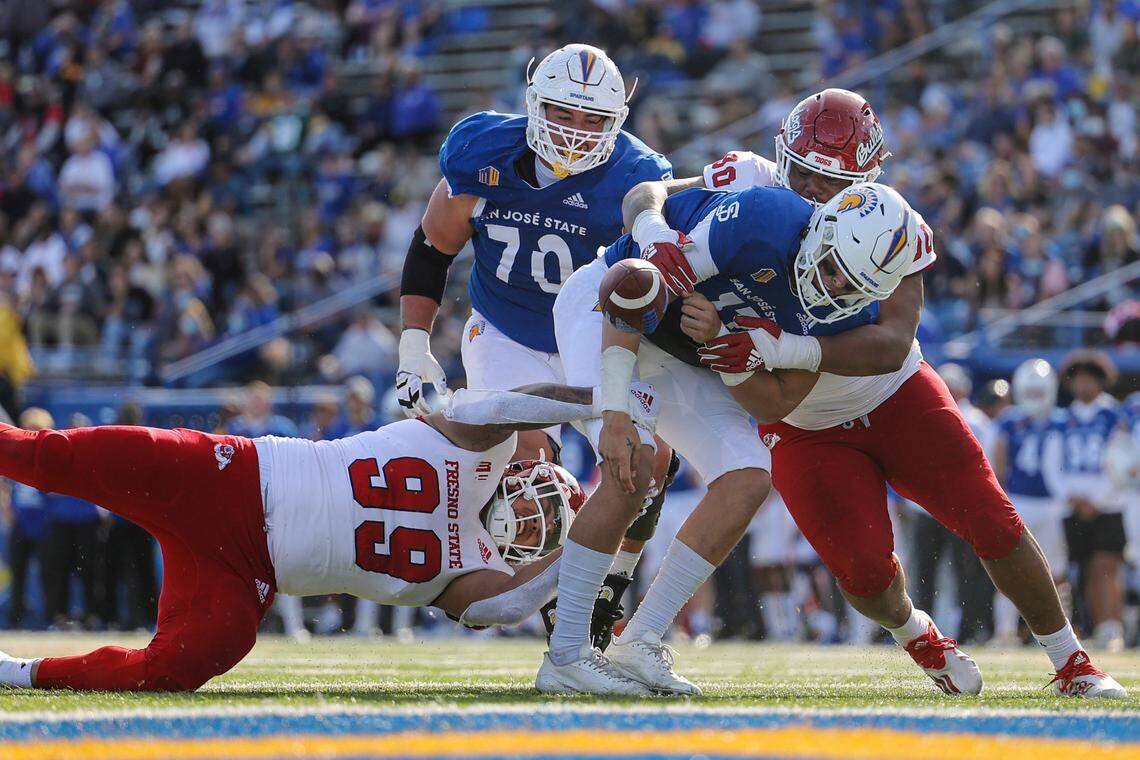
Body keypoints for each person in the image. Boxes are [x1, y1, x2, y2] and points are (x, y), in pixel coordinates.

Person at [687, 196, 1125, 698]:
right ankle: (917, 634)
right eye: (811, 171)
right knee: (864, 575)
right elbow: (769, 404)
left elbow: (891, 343)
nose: (818, 183)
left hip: (897, 393)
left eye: (835, 172)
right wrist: (658, 230)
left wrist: (783, 348)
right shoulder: (751, 207)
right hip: (804, 426)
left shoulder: (891, 225)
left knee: (991, 516)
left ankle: (1071, 660)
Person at [0, 383, 656, 692]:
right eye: (544, 491)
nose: (532, 512)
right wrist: (603, 403)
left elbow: (510, 602)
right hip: (223, 475)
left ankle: (20, 673)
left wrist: (599, 536)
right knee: (46, 456)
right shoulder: (484, 440)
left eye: (548, 526)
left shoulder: (480, 575)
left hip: (247, 570)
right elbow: (499, 408)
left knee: (175, 671)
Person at [538, 182, 912, 696]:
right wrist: (618, 410)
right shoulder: (763, 220)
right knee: (634, 465)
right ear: (822, 230)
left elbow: (775, 402)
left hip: (682, 348)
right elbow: (634, 288)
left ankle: (640, 639)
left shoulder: (851, 312)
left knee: (749, 475)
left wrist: (722, 343)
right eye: (830, 267)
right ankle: (566, 654)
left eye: (849, 286)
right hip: (609, 312)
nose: (831, 288)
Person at [395, 43, 673, 465]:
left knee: (640, 466)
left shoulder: (636, 177)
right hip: (507, 334)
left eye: (593, 119)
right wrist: (414, 343)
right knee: (527, 470)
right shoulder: (482, 154)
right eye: (563, 114)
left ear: (615, 122)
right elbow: (433, 247)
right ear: (534, 104)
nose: (576, 131)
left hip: (598, 334)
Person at [1050, 350, 1126, 651]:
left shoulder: (1113, 415)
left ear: (1100, 382)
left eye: (1088, 379)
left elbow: (1120, 460)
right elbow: (1052, 463)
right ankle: (1091, 626)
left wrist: (1098, 498)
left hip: (1108, 503)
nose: (1083, 385)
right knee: (1079, 570)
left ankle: (1112, 627)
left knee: (1105, 566)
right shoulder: (1064, 418)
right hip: (1073, 504)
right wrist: (1070, 496)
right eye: (1078, 379)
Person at [991, 359, 1067, 646]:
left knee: (1056, 570)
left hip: (1051, 503)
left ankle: (1059, 632)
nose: (1036, 398)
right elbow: (999, 462)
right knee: (1010, 567)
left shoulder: (1062, 419)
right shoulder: (1010, 420)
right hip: (1019, 499)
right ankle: (1005, 630)